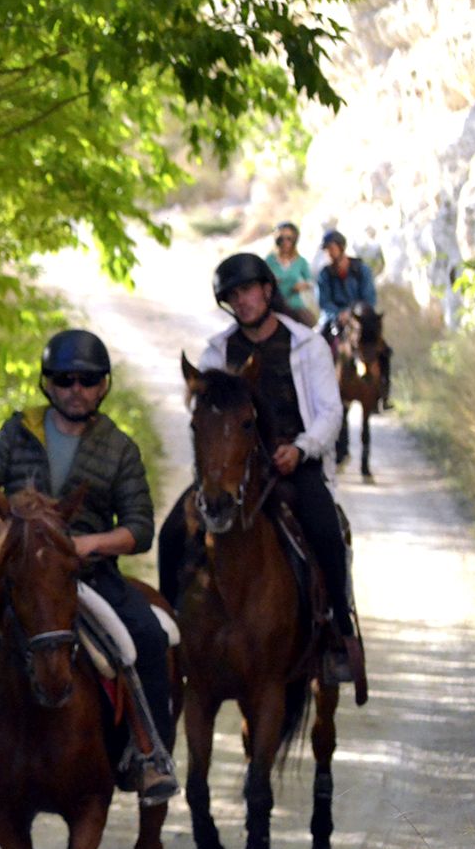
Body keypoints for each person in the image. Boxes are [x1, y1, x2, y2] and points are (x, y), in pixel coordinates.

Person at [0, 329, 178, 803]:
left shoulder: (119, 447)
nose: (76, 389)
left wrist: (88, 543)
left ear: (103, 386)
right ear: (48, 384)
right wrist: (13, 536)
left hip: (87, 572)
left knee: (150, 640)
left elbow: (140, 527)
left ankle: (151, 755)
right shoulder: (16, 431)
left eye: (88, 380)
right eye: (65, 379)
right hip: (19, 574)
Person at [157, 252, 367, 697]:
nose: (243, 300)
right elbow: (204, 413)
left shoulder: (305, 345)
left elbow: (330, 412)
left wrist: (301, 448)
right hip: (234, 469)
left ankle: (337, 630)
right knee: (172, 533)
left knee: (326, 529)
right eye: (233, 295)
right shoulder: (218, 351)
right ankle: (170, 637)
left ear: (267, 291)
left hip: (294, 462)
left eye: (249, 290)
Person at [317, 228, 391, 408]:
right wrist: (338, 314)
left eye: (331, 248)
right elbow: (324, 302)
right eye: (326, 249)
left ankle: (383, 393)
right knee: (317, 346)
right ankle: (319, 392)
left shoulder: (361, 269)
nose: (329, 252)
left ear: (341, 248)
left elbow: (370, 297)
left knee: (383, 349)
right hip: (335, 319)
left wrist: (354, 312)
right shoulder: (324, 274)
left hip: (361, 317)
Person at [266, 221, 317, 326]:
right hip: (276, 307)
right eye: (281, 239)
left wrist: (303, 285)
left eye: (289, 238)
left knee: (310, 323)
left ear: (294, 240)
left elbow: (311, 281)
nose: (285, 242)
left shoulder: (300, 261)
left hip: (295, 305)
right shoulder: (269, 260)